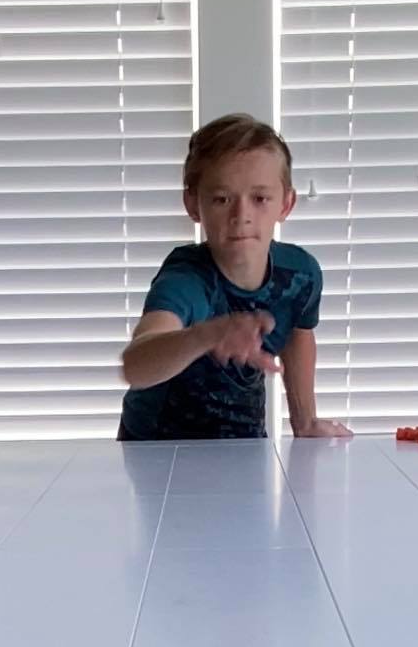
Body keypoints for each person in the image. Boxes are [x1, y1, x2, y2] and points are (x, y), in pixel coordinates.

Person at [119, 114, 353, 442]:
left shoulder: (300, 274)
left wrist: (306, 421)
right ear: (192, 204)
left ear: (286, 204)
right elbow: (135, 365)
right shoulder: (187, 278)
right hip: (158, 448)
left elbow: (298, 333)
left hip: (242, 442)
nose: (241, 216)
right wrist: (206, 336)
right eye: (222, 199)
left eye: (259, 199)